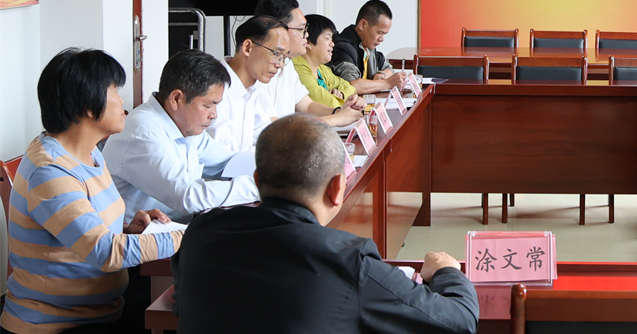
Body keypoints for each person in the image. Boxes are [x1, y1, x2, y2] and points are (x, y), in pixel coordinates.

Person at [172, 114, 479, 334]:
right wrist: (447, 271)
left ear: (256, 180)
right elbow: (459, 320)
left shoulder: (202, 232)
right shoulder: (348, 258)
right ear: (337, 189)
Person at [1, 49, 183, 334]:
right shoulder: (50, 171)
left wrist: (128, 230)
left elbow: (86, 229)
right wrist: (187, 237)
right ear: (88, 105)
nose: (121, 101)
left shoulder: (88, 152)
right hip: (56, 325)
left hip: (103, 309)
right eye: (115, 91)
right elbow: (104, 251)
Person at [101, 49, 260, 223]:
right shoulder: (144, 131)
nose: (214, 115)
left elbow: (226, 163)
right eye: (208, 106)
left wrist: (271, 169)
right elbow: (188, 196)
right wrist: (262, 187)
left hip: (173, 230)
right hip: (138, 235)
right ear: (176, 99)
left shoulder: (186, 127)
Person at [252, 0, 365, 125]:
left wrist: (339, 112)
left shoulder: (287, 64)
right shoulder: (257, 72)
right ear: (278, 30)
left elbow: (307, 106)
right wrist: (337, 119)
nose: (306, 35)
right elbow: (275, 129)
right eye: (301, 29)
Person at [205, 16, 287, 152]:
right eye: (276, 54)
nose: (280, 64)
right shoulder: (214, 86)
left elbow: (265, 133)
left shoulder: (250, 90)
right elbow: (222, 151)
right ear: (248, 48)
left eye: (284, 57)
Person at [330, 0, 407, 93]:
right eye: (379, 33)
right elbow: (352, 85)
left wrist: (382, 75)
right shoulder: (342, 48)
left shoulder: (367, 46)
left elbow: (389, 69)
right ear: (363, 25)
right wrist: (387, 83)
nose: (382, 39)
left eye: (384, 34)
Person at [294, 14, 359, 108]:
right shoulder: (297, 68)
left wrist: (341, 94)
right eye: (327, 38)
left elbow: (350, 88)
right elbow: (329, 104)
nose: (332, 44)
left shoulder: (322, 69)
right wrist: (345, 101)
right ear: (308, 41)